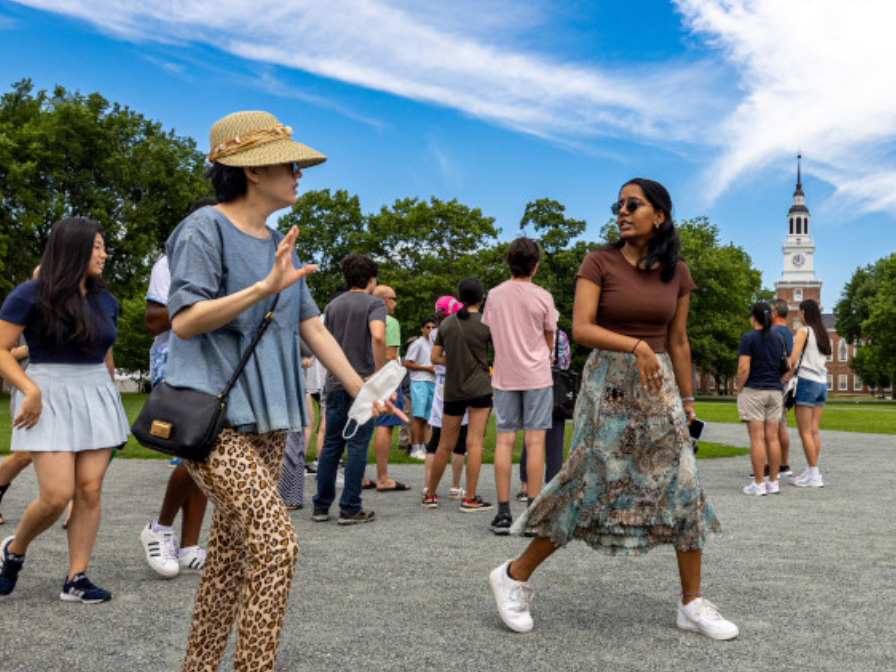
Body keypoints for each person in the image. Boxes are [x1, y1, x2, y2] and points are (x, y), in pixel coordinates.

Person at [164, 111, 401, 672]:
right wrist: (262, 287)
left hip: (271, 420)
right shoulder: (203, 230)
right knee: (276, 546)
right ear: (250, 170)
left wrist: (362, 387)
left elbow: (310, 326)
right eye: (288, 162)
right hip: (214, 421)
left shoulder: (278, 242)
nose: (299, 172)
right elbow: (185, 320)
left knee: (228, 558)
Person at [488, 178, 737, 640]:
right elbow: (581, 328)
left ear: (659, 215)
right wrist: (636, 345)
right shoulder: (598, 262)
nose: (622, 211)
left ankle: (692, 602)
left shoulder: (677, 271)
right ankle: (513, 575)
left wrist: (687, 402)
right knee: (589, 483)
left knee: (684, 483)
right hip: (609, 388)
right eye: (619, 205)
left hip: (658, 385)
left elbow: (679, 341)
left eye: (633, 204)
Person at [0, 217, 129, 602]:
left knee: (89, 491)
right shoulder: (30, 294)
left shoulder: (106, 300)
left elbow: (106, 358)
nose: (105, 254)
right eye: (98, 247)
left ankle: (76, 579)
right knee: (57, 495)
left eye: (104, 247)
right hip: (46, 392)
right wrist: (28, 389)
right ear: (73, 248)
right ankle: (14, 551)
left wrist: (113, 409)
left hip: (96, 394)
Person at [138, 199, 214, 579]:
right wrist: (201, 303)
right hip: (177, 364)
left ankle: (188, 546)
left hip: (216, 365)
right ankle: (160, 527)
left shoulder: (227, 261)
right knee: (194, 453)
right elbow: (153, 321)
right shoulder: (169, 263)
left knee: (204, 456)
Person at [482, 237, 557, 533]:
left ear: (509, 263)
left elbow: (491, 329)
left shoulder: (495, 295)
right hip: (537, 375)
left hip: (504, 374)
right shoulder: (543, 296)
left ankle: (502, 513)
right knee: (535, 442)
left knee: (504, 441)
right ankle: (532, 514)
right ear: (535, 267)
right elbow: (549, 336)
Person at [313, 254, 388, 524]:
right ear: (371, 279)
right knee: (357, 445)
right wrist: (378, 375)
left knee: (332, 444)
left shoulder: (332, 306)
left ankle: (321, 506)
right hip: (362, 384)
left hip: (335, 381)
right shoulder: (374, 303)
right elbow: (378, 336)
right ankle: (350, 507)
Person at [423, 277, 493, 512]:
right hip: (480, 387)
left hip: (453, 389)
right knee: (474, 444)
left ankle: (430, 494)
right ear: (482, 298)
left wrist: (452, 362)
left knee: (444, 444)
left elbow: (434, 358)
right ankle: (470, 498)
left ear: (460, 297)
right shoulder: (487, 322)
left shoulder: (447, 324)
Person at [737, 302, 787, 495]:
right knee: (772, 438)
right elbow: (786, 366)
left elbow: (743, 368)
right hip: (775, 392)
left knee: (757, 438)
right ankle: (773, 482)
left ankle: (758, 484)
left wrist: (740, 388)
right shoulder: (779, 339)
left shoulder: (748, 339)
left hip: (754, 390)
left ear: (753, 317)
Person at [518, 328, 571, 501]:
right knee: (555, 438)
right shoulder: (561, 336)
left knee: (531, 437)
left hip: (534, 386)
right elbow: (565, 364)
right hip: (555, 390)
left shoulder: (531, 333)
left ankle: (525, 485)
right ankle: (551, 485)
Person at [423, 297, 468, 499]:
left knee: (436, 438)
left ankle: (428, 485)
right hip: (458, 381)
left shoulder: (433, 332)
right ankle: (455, 485)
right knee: (460, 439)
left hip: (440, 384)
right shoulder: (457, 330)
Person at [366, 284, 409, 491]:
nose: (396, 303)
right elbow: (390, 354)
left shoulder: (361, 317)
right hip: (385, 378)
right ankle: (383, 477)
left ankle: (360, 476)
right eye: (394, 298)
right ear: (384, 301)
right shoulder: (389, 321)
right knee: (385, 425)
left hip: (362, 375)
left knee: (361, 428)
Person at [788, 298, 831, 488]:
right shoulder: (823, 335)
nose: (798, 314)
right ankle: (811, 469)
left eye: (799, 311)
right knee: (814, 430)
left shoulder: (803, 332)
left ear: (804, 312)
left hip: (806, 382)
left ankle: (814, 474)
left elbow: (793, 360)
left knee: (804, 431)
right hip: (822, 383)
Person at [404, 317, 437, 460]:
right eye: (427, 327)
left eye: (433, 328)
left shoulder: (435, 344)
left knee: (428, 418)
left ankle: (424, 446)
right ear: (422, 329)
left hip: (432, 382)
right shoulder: (417, 344)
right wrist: (426, 368)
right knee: (418, 416)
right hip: (419, 382)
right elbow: (407, 363)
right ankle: (415, 448)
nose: (430, 330)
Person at [770, 299, 794, 477]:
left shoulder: (771, 333)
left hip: (771, 384)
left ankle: (772, 466)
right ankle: (784, 464)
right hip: (785, 386)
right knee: (782, 427)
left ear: (775, 313)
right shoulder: (790, 334)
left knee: (768, 430)